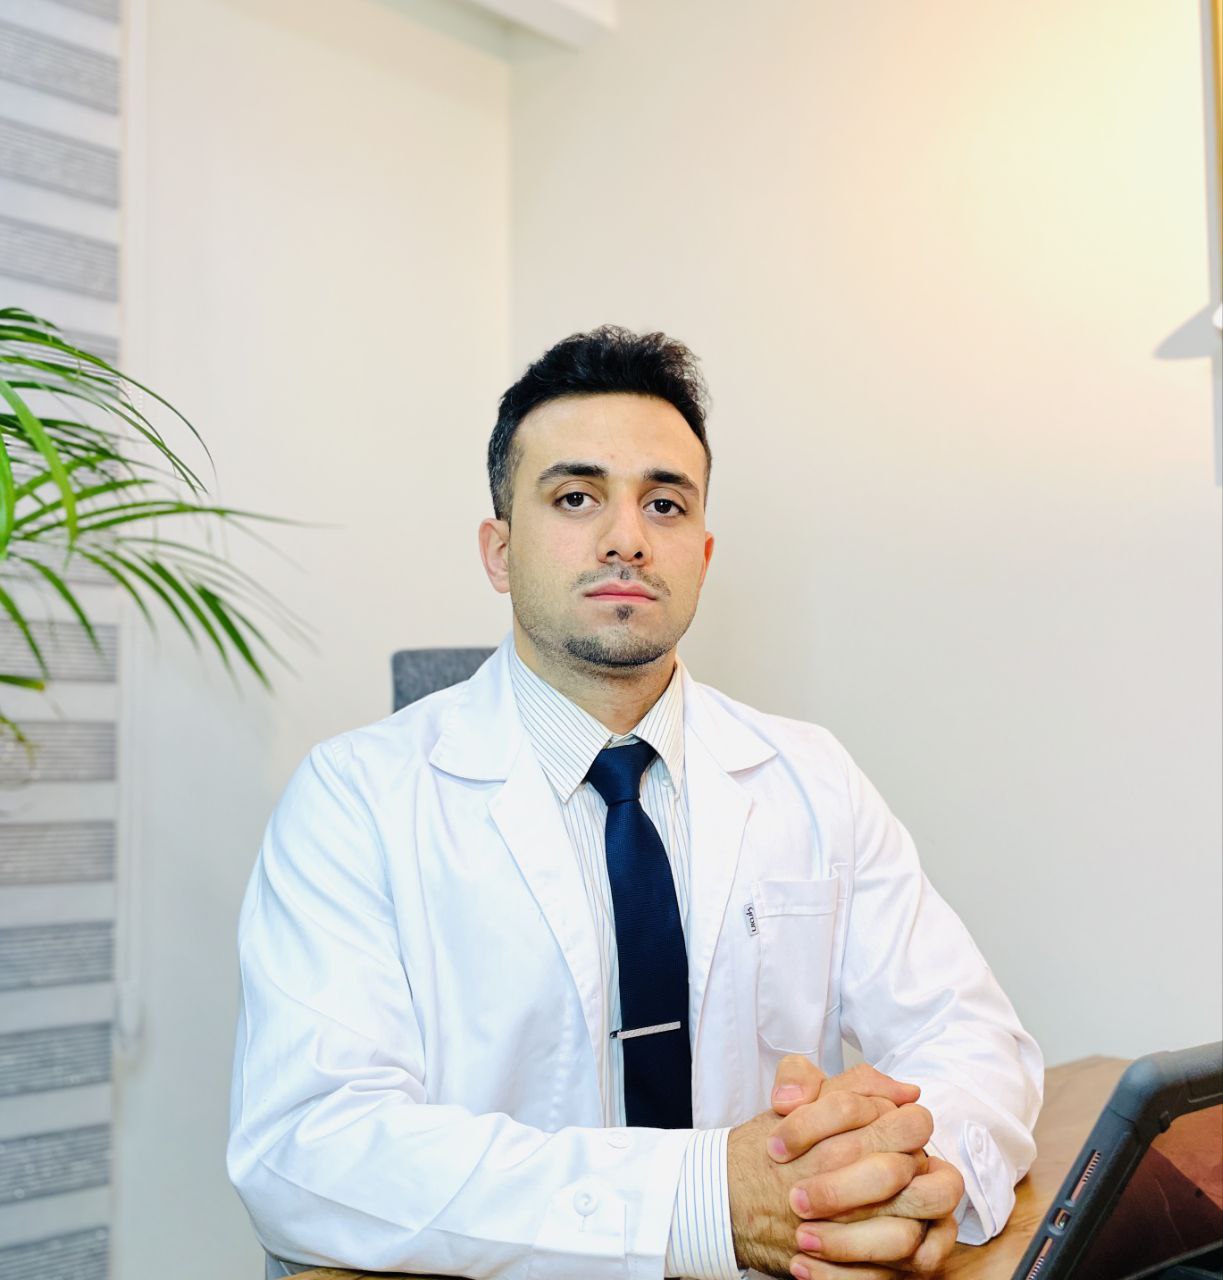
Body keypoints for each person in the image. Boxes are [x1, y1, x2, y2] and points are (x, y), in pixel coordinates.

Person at [228, 326, 1043, 1280]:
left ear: (701, 553)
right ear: (499, 551)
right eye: (576, 498)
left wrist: (913, 1178)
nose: (626, 537)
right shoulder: (354, 798)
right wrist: (704, 1201)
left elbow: (971, 1038)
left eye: (664, 504)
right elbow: (309, 1146)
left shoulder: (810, 775)